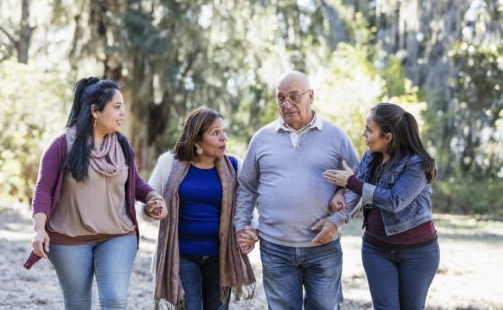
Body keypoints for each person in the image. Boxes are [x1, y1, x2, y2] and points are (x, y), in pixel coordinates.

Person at [24, 77, 168, 310]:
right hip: (69, 240)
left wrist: (152, 197)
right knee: (78, 305)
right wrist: (38, 229)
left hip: (118, 235)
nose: (123, 113)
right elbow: (43, 189)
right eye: (117, 106)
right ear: (94, 111)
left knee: (115, 299)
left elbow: (135, 182)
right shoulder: (62, 145)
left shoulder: (121, 144)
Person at [234, 71, 361, 310]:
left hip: (323, 248)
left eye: (294, 97)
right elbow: (247, 188)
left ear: (310, 96)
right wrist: (242, 226)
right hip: (275, 248)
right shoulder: (262, 138)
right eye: (281, 98)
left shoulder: (336, 137)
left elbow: (357, 183)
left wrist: (337, 219)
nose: (286, 104)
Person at [324, 102, 440, 310]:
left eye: (369, 130)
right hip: (376, 248)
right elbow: (357, 185)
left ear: (388, 137)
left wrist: (350, 182)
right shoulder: (370, 157)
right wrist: (340, 192)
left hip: (418, 252)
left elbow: (394, 200)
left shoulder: (417, 164)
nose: (363, 135)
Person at [139, 107, 255, 309]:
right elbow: (146, 204)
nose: (223, 138)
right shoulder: (169, 164)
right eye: (215, 132)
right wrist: (150, 209)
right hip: (181, 255)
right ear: (197, 141)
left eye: (223, 131)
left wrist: (251, 230)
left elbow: (247, 206)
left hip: (221, 257)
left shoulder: (235, 166)